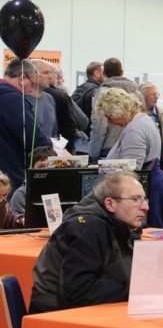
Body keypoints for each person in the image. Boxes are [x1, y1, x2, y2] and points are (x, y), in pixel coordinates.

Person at [29, 171, 148, 314]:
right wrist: (135, 288)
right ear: (110, 204)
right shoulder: (88, 229)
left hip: (89, 313)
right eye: (135, 199)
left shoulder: (124, 229)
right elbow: (79, 291)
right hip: (57, 317)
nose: (145, 207)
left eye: (144, 199)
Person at [95, 87, 163, 228]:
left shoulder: (134, 129)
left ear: (118, 111)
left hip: (146, 187)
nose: (109, 122)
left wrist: (102, 168)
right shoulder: (143, 120)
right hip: (153, 183)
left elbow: (131, 170)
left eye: (109, 117)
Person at [0, 58, 52, 190]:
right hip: (12, 176)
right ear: (22, 78)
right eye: (33, 84)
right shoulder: (14, 101)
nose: (32, 90)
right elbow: (34, 139)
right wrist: (51, 146)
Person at [89, 57, 143, 162]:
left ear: (103, 73)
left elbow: (99, 126)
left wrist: (93, 155)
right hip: (134, 148)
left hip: (108, 151)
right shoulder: (137, 92)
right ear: (122, 72)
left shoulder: (103, 93)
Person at [9, 146, 58, 215]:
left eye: (50, 166)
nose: (46, 170)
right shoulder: (21, 195)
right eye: (41, 167)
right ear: (31, 169)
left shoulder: (64, 192)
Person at [71, 61, 106, 154]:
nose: (106, 76)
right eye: (104, 72)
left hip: (78, 138)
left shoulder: (80, 89)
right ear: (97, 73)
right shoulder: (96, 91)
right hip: (89, 139)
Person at [138, 82, 163, 172]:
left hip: (160, 163)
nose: (156, 97)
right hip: (141, 162)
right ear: (142, 96)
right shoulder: (134, 116)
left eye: (157, 94)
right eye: (152, 94)